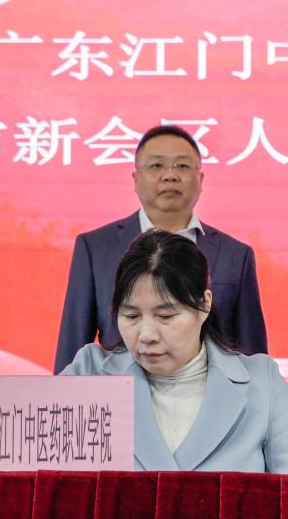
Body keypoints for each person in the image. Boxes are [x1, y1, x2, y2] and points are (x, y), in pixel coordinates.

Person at [60, 230, 288, 473]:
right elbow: (40, 485)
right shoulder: (89, 375)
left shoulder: (262, 385)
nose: (146, 335)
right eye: (131, 316)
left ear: (204, 304)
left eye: (165, 316)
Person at [53, 124, 268, 373]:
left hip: (211, 393)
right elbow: (73, 346)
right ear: (136, 179)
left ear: (200, 179)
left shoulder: (236, 255)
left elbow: (251, 355)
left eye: (182, 166)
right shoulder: (95, 248)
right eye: (157, 165)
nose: (170, 175)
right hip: (123, 391)